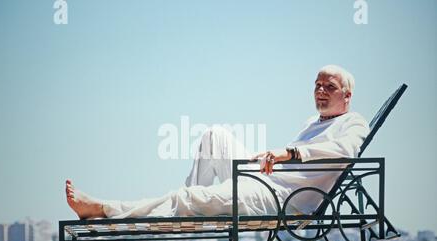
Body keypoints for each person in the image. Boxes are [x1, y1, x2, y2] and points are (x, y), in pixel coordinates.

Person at [66, 65, 369, 219]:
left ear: (347, 95)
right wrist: (268, 158)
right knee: (215, 136)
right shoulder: (312, 123)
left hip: (283, 198)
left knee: (188, 198)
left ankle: (103, 208)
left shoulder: (353, 122)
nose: (320, 91)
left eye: (329, 87)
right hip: (266, 181)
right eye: (317, 86)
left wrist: (287, 152)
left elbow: (344, 151)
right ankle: (191, 203)